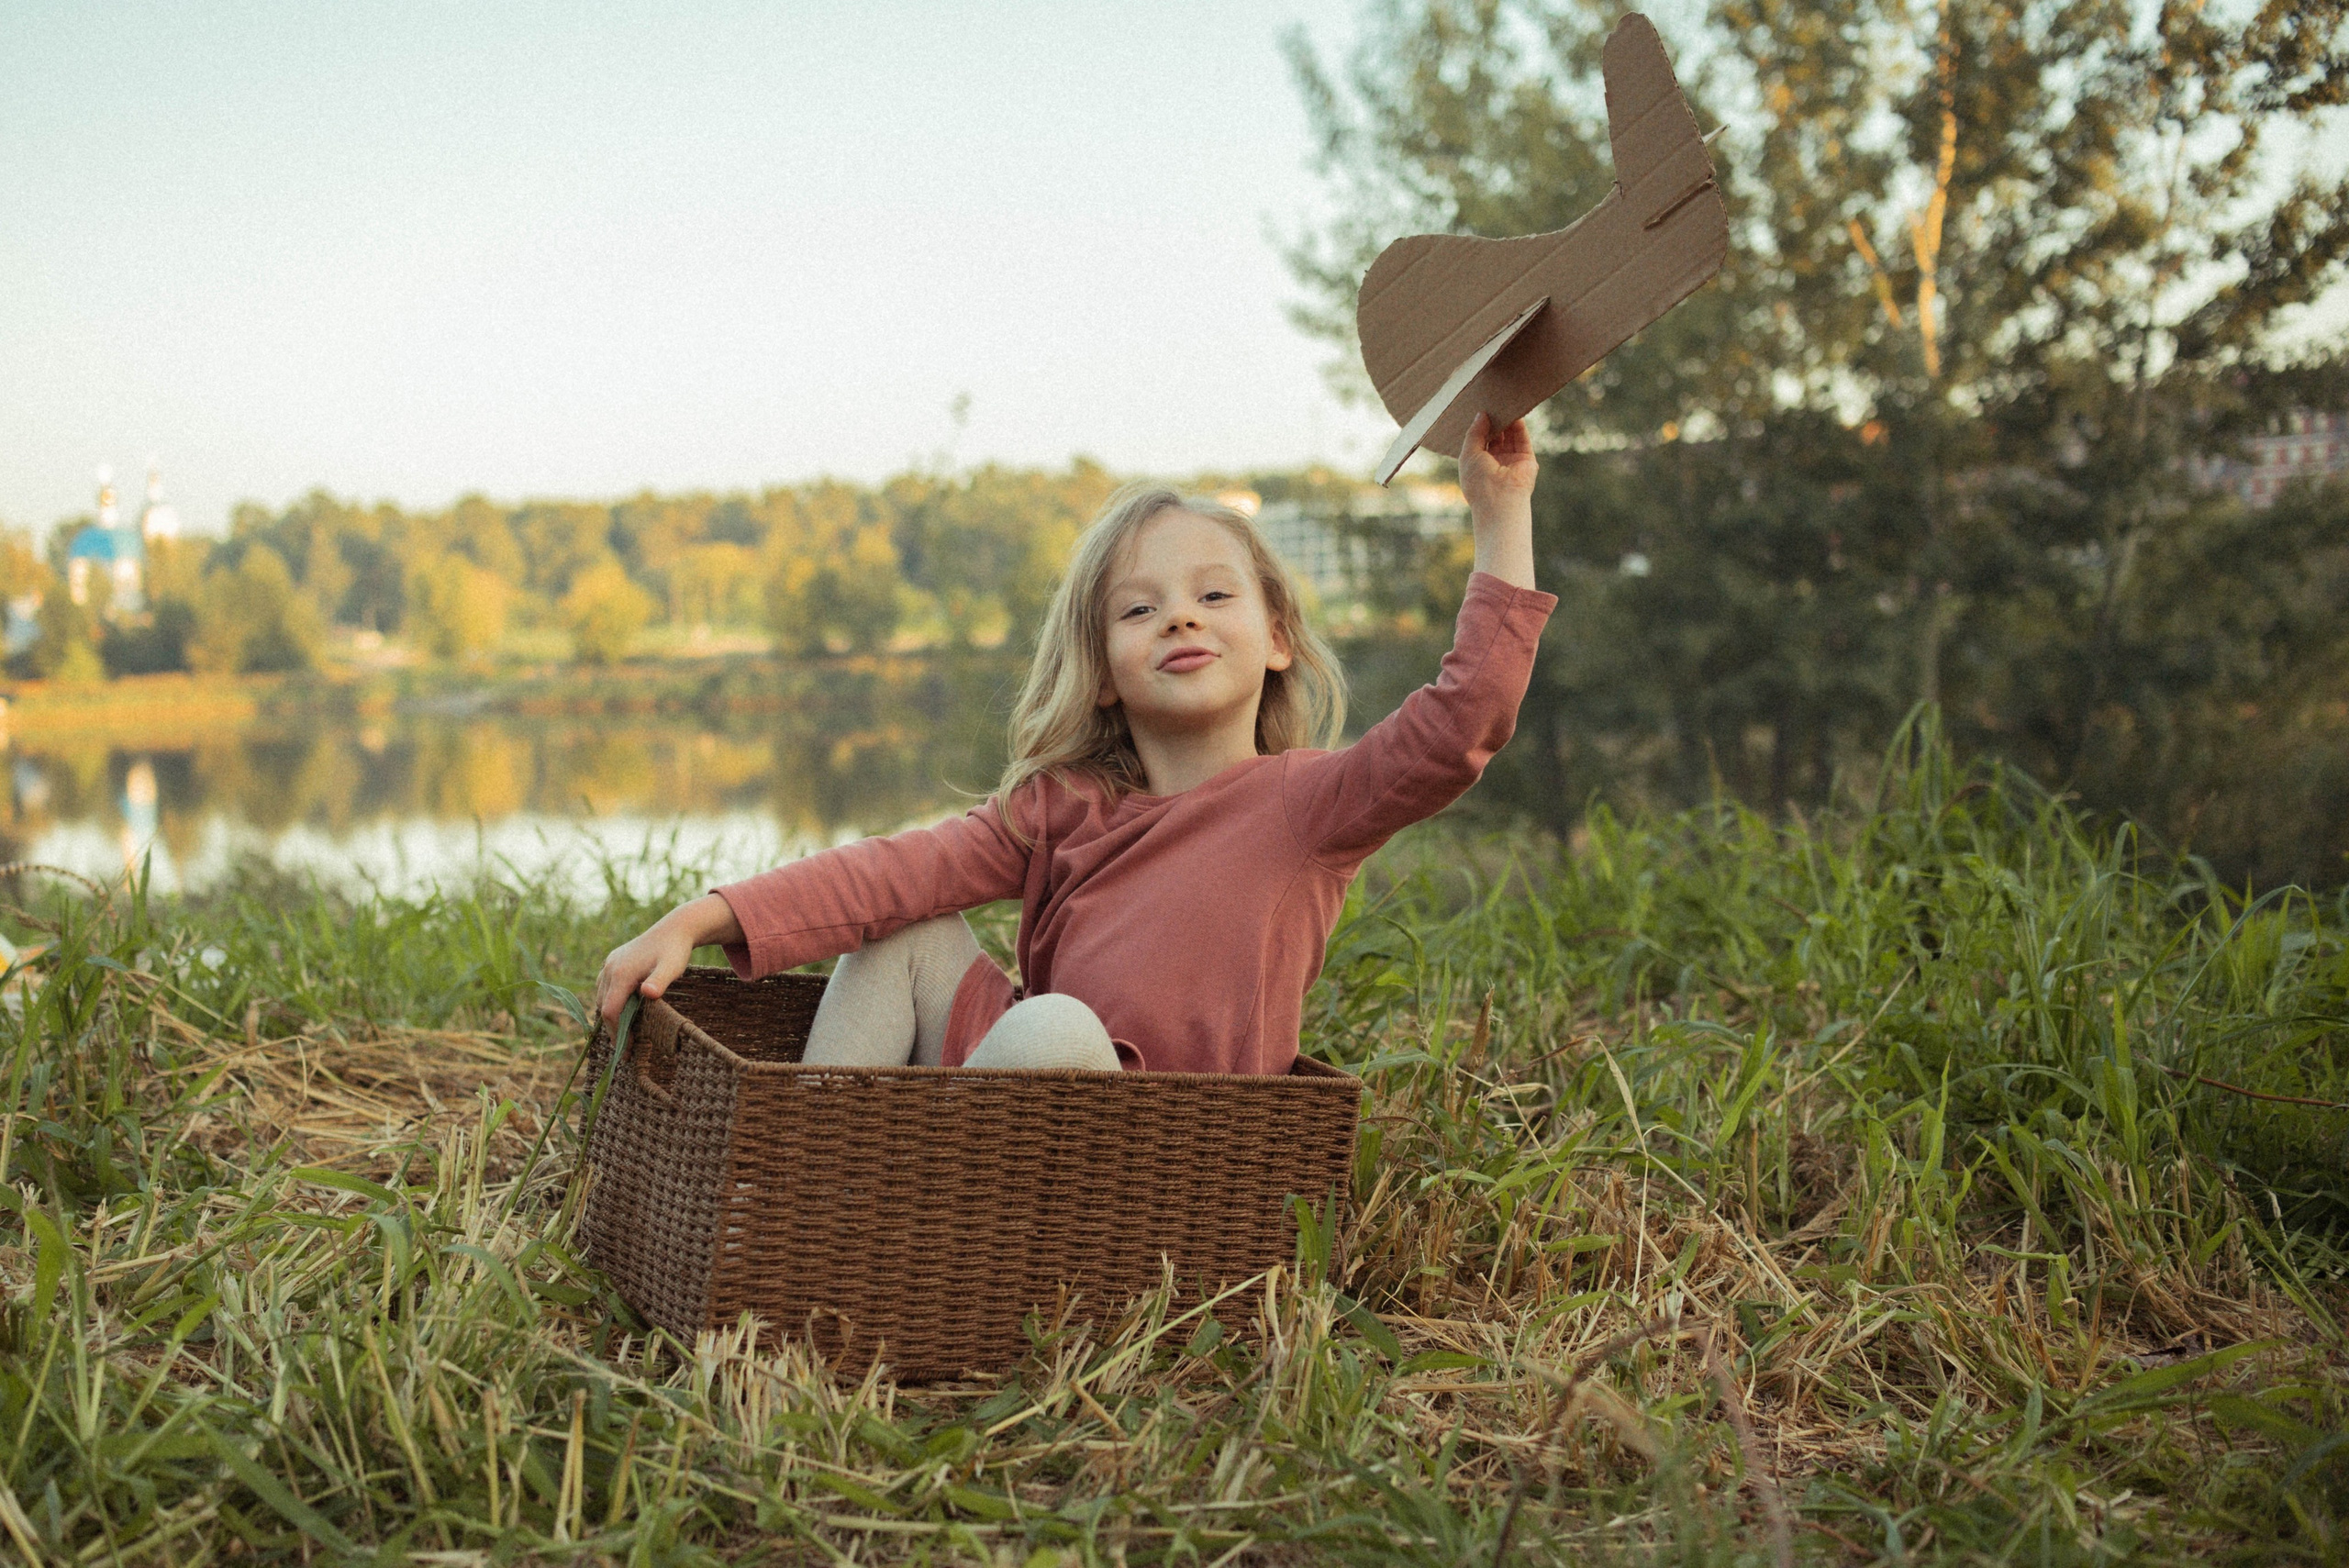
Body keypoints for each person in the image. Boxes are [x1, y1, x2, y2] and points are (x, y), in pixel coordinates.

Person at [592, 414, 1555, 1075]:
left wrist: (1499, 508)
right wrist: (699, 917)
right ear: (1101, 668)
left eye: (1213, 595)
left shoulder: (1309, 805)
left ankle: (924, 1199)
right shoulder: (1062, 809)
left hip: (1154, 1151)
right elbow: (889, 873)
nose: (1179, 617)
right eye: (1139, 608)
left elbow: (1462, 719)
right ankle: (813, 1175)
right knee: (912, 933)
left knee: (1055, 1025)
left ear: (1276, 642)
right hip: (1020, 1092)